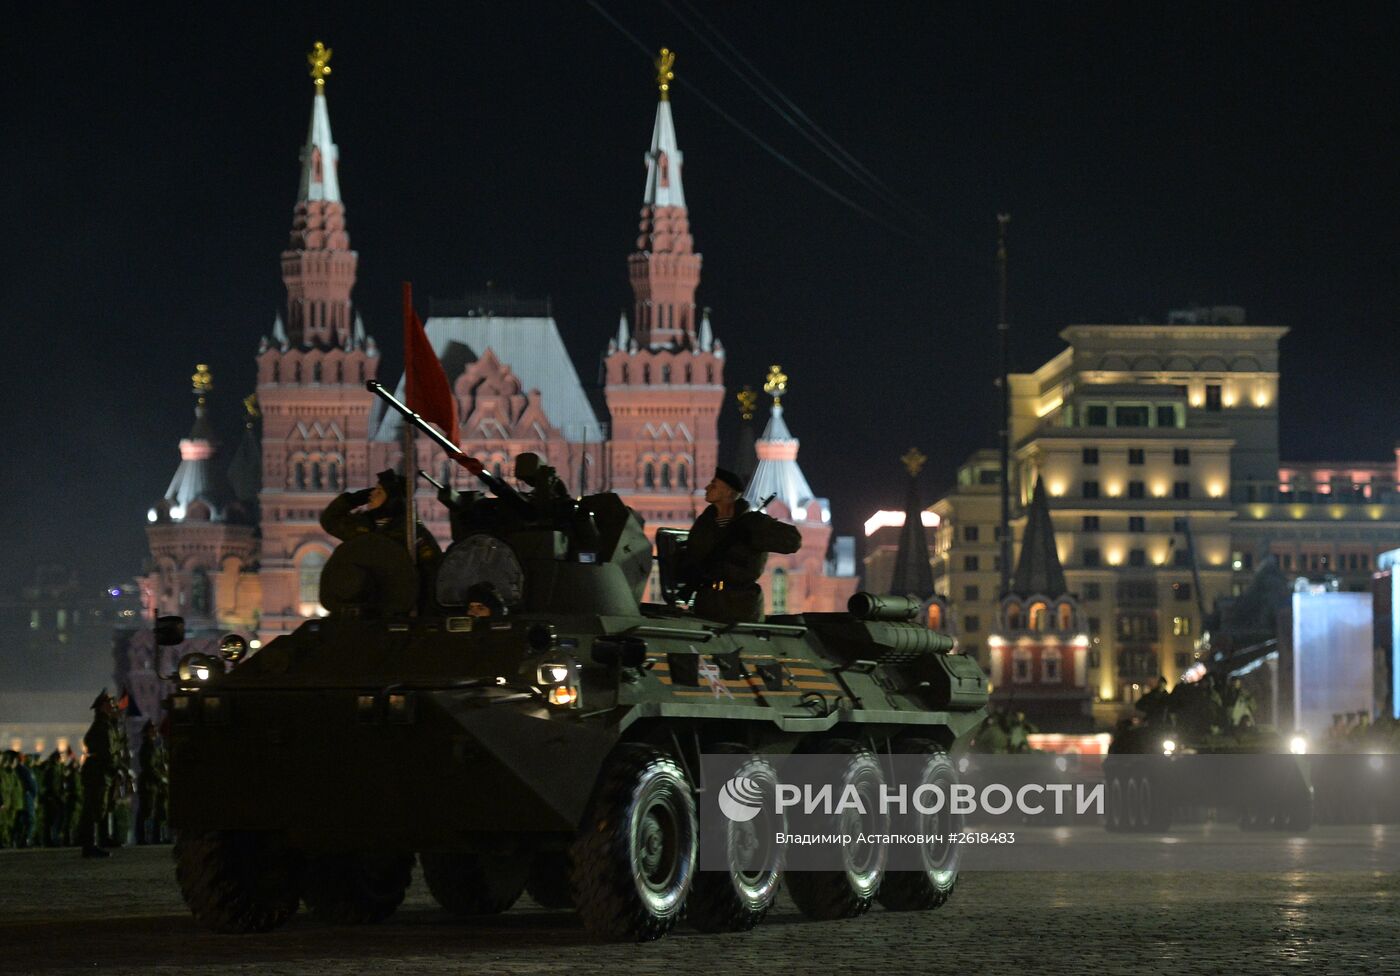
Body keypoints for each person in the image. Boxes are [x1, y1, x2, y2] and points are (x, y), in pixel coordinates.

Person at [682, 469, 802, 624]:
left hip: (741, 605)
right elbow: (692, 559)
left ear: (729, 493)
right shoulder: (703, 524)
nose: (707, 488)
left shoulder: (752, 522)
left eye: (714, 485)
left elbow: (793, 541)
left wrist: (754, 534)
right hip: (707, 604)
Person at [321, 469, 443, 566]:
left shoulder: (413, 533)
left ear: (392, 500)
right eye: (373, 490)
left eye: (379, 492)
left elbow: (431, 570)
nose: (372, 495)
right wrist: (357, 497)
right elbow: (330, 520)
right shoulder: (365, 525)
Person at [75, 690, 121, 858]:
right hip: (98, 773)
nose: (113, 706)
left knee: (99, 807)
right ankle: (90, 845)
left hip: (100, 772)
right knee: (93, 809)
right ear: (102, 707)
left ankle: (95, 842)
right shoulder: (102, 726)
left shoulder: (106, 725)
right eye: (109, 704)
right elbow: (107, 752)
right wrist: (115, 768)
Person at [135, 722, 168, 845]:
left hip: (153, 783)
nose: (155, 732)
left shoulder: (153, 746)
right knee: (145, 810)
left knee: (155, 810)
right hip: (149, 783)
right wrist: (160, 778)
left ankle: (154, 837)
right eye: (152, 730)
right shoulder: (147, 747)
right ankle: (141, 838)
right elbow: (150, 766)